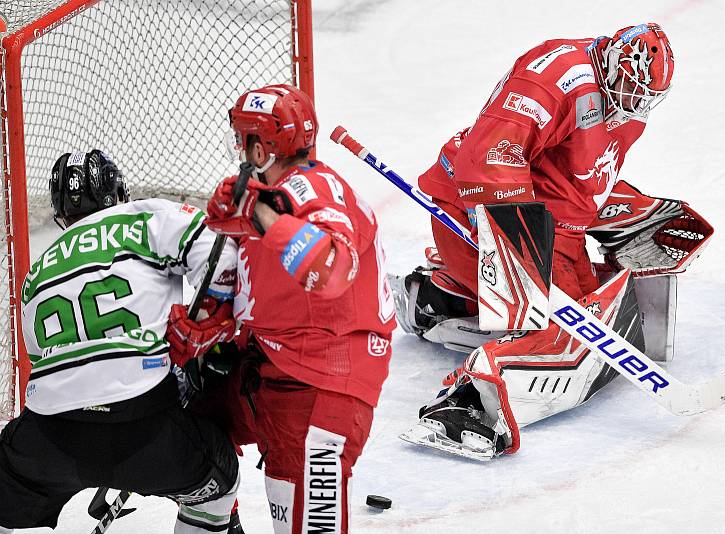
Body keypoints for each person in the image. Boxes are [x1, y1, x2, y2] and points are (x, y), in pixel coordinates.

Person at [395, 24, 685, 460]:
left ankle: (443, 297)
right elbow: (488, 157)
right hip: (476, 208)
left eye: (644, 95)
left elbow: (576, 179)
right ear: (612, 62)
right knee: (564, 331)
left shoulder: (625, 101)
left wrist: (625, 213)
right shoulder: (555, 77)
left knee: (593, 311)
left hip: (545, 220)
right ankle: (469, 404)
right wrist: (514, 241)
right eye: (630, 87)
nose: (635, 103)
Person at [174, 84, 395, 533]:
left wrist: (259, 216)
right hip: (272, 364)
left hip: (324, 383)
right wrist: (213, 332)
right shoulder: (267, 196)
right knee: (183, 431)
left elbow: (332, 269)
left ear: (265, 145)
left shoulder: (317, 189)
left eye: (245, 138)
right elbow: (258, 287)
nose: (239, 148)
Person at [0, 150, 242, 532]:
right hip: (146, 429)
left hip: (49, 438)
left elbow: (42, 363)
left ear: (61, 210)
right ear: (118, 192)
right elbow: (224, 257)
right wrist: (205, 334)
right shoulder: (148, 217)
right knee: (218, 485)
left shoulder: (37, 272)